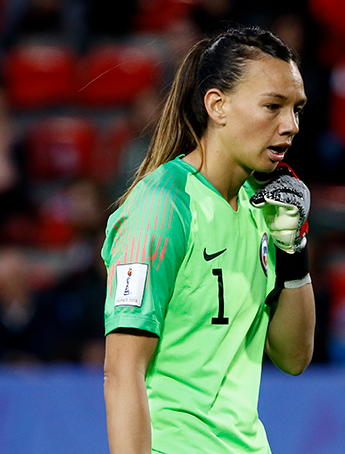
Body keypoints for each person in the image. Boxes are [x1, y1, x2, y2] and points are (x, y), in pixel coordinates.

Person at [102, 27, 315, 454]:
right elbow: (122, 373)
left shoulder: (266, 202)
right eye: (273, 106)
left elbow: (294, 358)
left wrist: (294, 250)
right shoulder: (162, 209)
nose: (290, 125)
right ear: (217, 105)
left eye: (296, 109)